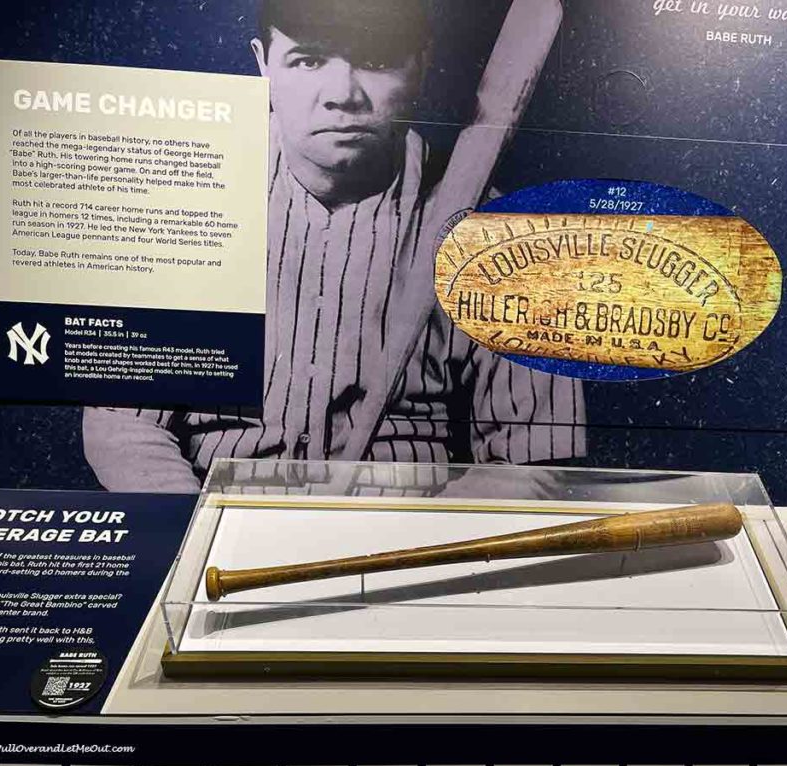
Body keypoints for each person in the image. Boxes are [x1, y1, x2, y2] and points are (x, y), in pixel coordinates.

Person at [83, 0, 586, 494]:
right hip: (213, 529)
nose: (342, 94)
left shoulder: (505, 240)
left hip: (400, 545)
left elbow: (532, 460)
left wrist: (404, 554)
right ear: (263, 64)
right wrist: (199, 532)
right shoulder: (186, 201)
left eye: (376, 60)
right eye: (309, 60)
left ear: (422, 62)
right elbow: (123, 426)